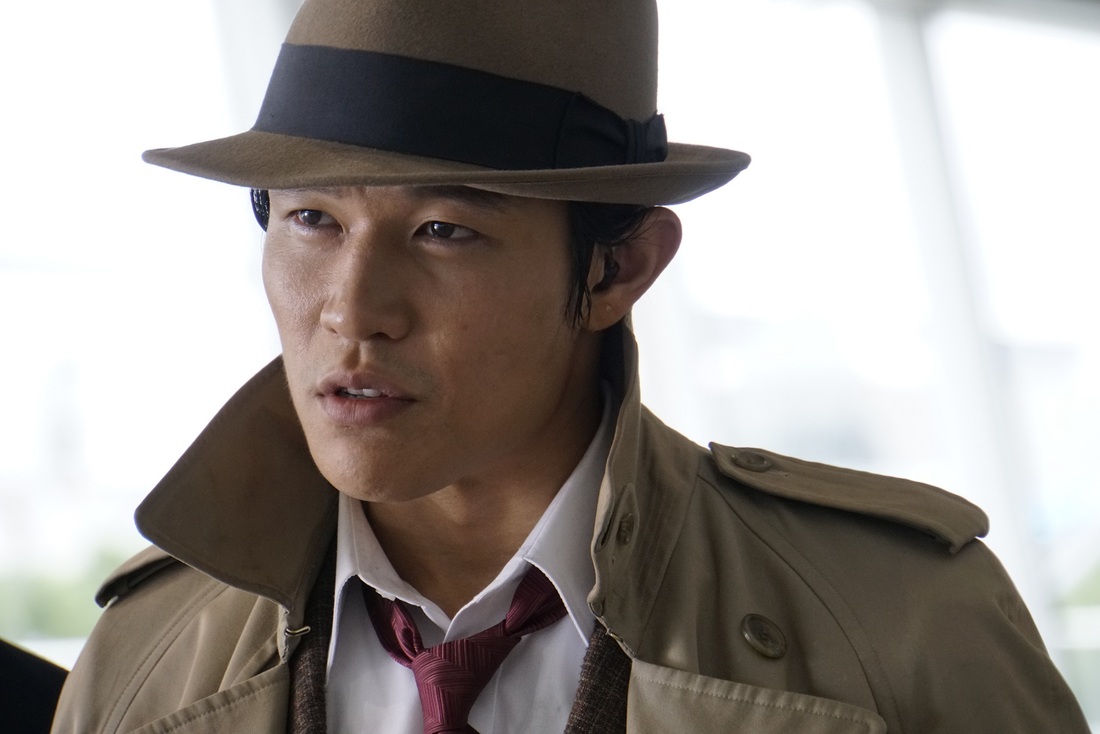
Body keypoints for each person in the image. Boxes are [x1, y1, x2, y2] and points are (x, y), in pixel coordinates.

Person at [52, 0, 1088, 732]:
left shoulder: (898, 620)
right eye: (311, 219)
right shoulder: (149, 654)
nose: (352, 311)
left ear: (618, 267)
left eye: (445, 230)